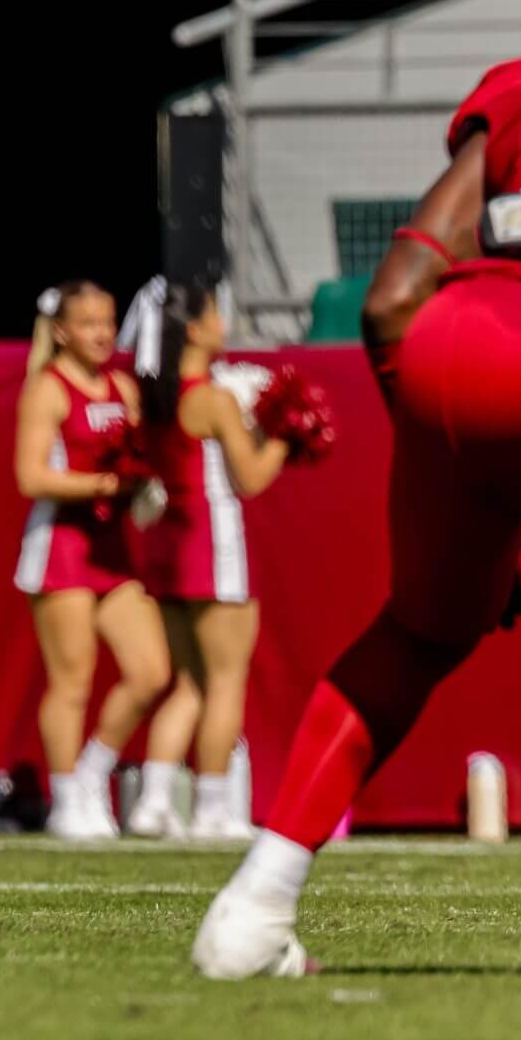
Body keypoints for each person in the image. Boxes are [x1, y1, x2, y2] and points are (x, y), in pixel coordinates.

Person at [196, 58, 521, 979]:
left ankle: (256, 908)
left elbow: (392, 298)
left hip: (458, 354)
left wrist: (462, 477)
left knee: (417, 637)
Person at [117, 280, 296, 842]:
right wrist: (287, 436)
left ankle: (152, 801)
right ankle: (215, 807)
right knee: (225, 681)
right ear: (194, 329)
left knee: (191, 683)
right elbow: (251, 477)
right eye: (217, 313)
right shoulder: (213, 399)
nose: (224, 321)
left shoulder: (156, 396)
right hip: (213, 547)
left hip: (170, 548)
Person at [13, 281, 173, 841]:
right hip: (61, 544)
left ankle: (91, 772)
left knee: (152, 670)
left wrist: (144, 485)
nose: (101, 334)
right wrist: (106, 482)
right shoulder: (47, 389)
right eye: (87, 323)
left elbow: (138, 454)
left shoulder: (123, 386)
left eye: (107, 322)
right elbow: (31, 476)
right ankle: (66, 801)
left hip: (111, 549)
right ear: (62, 331)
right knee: (72, 680)